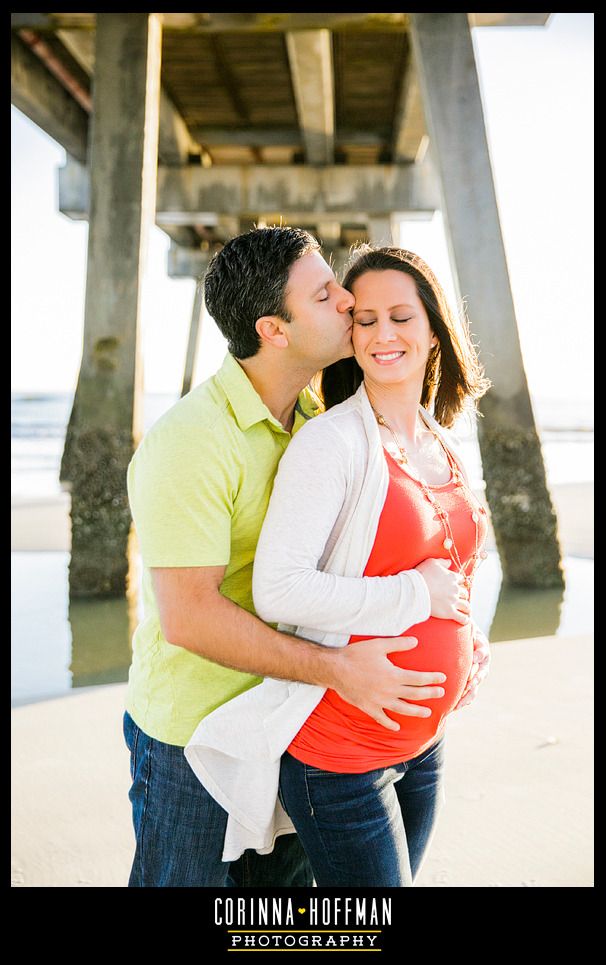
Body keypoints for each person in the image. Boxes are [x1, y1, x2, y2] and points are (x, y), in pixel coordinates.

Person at [124, 228, 465, 887]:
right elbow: (190, 617)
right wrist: (338, 669)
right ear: (274, 329)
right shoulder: (192, 442)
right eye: (325, 294)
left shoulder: (318, 417)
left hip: (287, 716)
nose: (347, 301)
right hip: (191, 734)